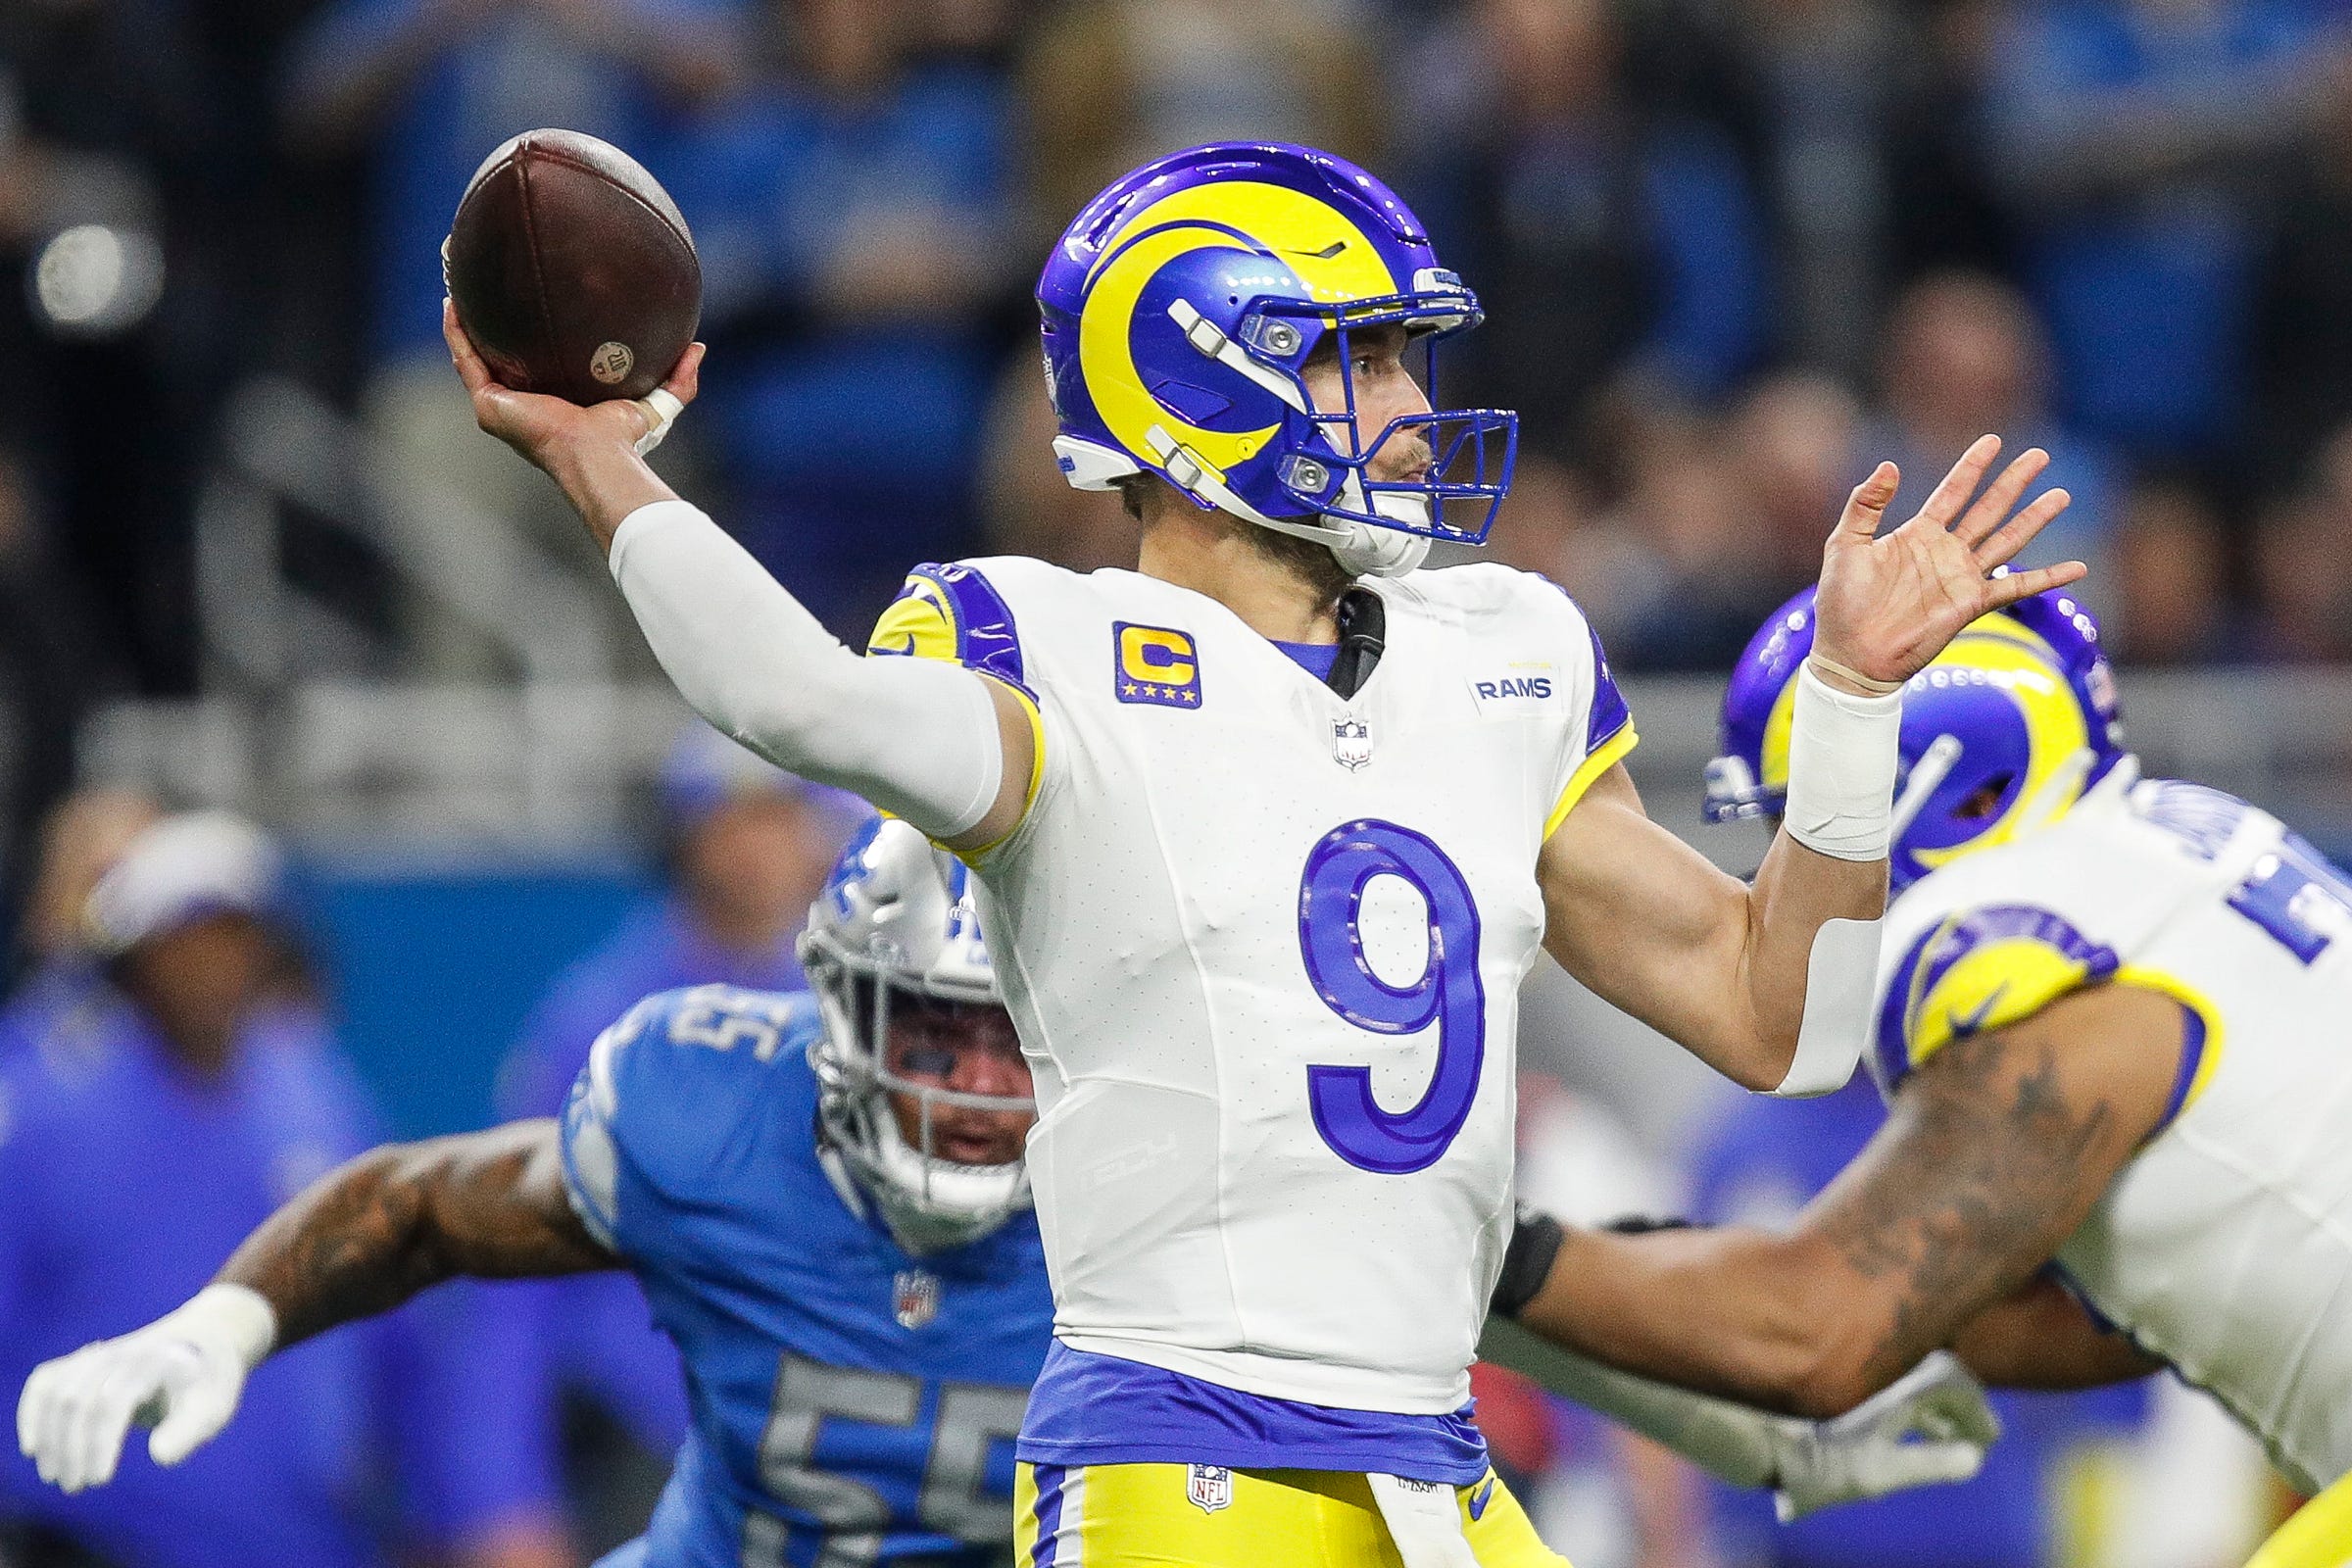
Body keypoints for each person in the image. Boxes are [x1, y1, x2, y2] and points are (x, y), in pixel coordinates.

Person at [440, 139, 2078, 1564]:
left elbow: (1782, 1025)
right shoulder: (1055, 657)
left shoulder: (1497, 653)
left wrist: (1854, 702)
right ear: (1194, 376)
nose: (1414, 411)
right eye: (1358, 359)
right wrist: (599, 455)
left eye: (1407, 360)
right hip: (1183, 1457)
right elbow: (788, 695)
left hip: (1440, 1464)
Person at [14, 820, 1974, 1563]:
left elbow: (1506, 1284)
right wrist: (227, 1315)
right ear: (833, 1009)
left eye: (1010, 1037)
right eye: (931, 1033)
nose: (972, 1086)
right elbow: (430, 1204)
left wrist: (1749, 1419)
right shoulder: (703, 1112)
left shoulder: (1197, 1141)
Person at [1494, 583, 2352, 1568]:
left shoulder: (2028, 959)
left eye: (1812, 820)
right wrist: (1709, 1294)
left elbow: (1815, 1331)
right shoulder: (2179, 849)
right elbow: (2129, 1318)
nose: (1789, 871)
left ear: (1950, 788)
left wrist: (1484, 1256)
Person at [0, 810, 564, 1568]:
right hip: (94, 1542)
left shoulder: (313, 1092)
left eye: (234, 937)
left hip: (309, 1543)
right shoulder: (40, 1106)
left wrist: (476, 1510)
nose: (212, 964)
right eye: (185, 939)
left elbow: (404, 1329)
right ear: (132, 957)